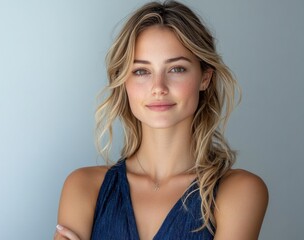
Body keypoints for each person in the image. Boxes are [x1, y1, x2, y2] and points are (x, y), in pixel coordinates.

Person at [54, 1, 268, 239]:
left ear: (205, 78)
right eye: (141, 71)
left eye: (176, 69)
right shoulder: (83, 186)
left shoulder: (240, 191)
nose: (158, 88)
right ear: (124, 82)